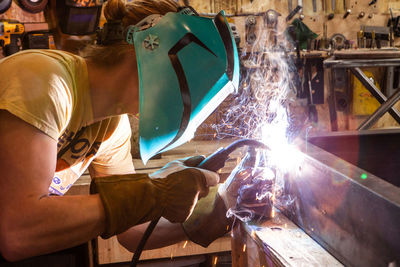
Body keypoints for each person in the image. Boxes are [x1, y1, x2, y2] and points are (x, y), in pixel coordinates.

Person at [0, 0, 239, 262]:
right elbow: (18, 232)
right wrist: (154, 194)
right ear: (154, 51)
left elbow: (131, 231)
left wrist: (217, 210)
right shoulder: (47, 82)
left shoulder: (112, 128)